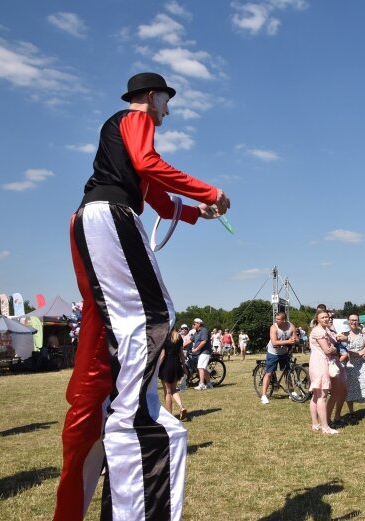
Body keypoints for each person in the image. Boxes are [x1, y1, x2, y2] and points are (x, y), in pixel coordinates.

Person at [54, 71, 230, 521]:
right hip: (109, 217)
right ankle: (135, 414)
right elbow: (151, 166)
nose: (167, 110)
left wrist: (197, 212)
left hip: (95, 220)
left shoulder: (125, 140)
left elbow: (153, 193)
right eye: (166, 101)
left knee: (108, 326)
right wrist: (211, 190)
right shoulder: (135, 119)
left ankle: (115, 406)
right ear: (152, 97)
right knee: (154, 314)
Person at [308, 310, 339, 435]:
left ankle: (315, 424)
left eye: (327, 317)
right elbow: (327, 350)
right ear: (317, 319)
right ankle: (325, 427)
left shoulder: (322, 330)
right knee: (322, 396)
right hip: (320, 363)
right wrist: (334, 348)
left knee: (316, 395)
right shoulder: (319, 331)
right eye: (323, 317)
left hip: (317, 362)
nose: (326, 319)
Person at [261, 312, 298, 404]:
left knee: (287, 372)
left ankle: (291, 392)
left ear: (284, 320)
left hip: (284, 353)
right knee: (269, 373)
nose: (276, 321)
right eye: (276, 319)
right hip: (273, 353)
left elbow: (296, 339)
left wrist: (294, 340)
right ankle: (264, 395)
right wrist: (288, 341)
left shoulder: (291, 326)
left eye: (278, 319)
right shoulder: (274, 327)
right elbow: (274, 342)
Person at [159, 327, 188, 421]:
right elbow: (181, 354)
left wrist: (157, 367)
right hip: (176, 364)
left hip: (166, 365)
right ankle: (181, 406)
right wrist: (184, 367)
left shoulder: (164, 337)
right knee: (174, 390)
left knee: (167, 392)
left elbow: (163, 355)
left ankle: (169, 415)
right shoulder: (179, 337)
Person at [191, 318, 212, 390]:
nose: (193, 325)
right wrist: (182, 345)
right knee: (203, 368)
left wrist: (196, 349)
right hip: (200, 352)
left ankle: (201, 384)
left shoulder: (204, 330)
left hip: (205, 352)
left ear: (199, 324)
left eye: (194, 324)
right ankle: (209, 384)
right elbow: (189, 340)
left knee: (200, 367)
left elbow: (204, 341)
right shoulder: (196, 332)